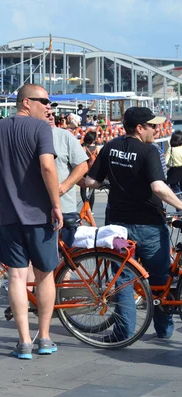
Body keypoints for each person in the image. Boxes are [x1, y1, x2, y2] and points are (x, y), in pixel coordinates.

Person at [0, 84, 62, 359]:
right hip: (40, 216)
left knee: (17, 277)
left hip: (8, 216)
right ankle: (43, 337)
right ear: (26, 102)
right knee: (44, 275)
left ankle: (23, 342)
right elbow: (47, 166)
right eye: (44, 101)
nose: (48, 107)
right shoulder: (41, 129)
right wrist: (56, 205)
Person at [85, 107, 182, 341]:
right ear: (139, 128)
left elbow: (91, 181)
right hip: (149, 224)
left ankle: (123, 333)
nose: (157, 129)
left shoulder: (110, 147)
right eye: (152, 126)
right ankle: (164, 329)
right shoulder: (149, 151)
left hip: (119, 226)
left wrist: (112, 182)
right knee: (160, 279)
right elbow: (158, 187)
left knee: (123, 280)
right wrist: (180, 205)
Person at [47, 108, 88, 246]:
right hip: (36, 210)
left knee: (67, 258)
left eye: (53, 115)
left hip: (65, 207)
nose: (51, 117)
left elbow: (82, 165)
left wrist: (64, 186)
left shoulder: (64, 136)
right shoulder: (29, 136)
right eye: (47, 115)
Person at [80, 131, 99, 210]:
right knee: (92, 191)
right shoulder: (97, 148)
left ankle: (85, 206)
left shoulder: (83, 148)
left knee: (83, 190)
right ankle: (90, 209)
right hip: (93, 171)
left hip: (84, 171)